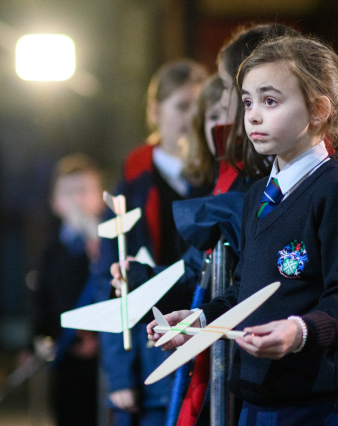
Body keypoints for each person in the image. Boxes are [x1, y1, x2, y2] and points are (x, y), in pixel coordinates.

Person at [148, 35, 338, 426]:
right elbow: (247, 292)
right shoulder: (258, 195)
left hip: (316, 406)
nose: (251, 115)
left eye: (270, 101)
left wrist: (298, 331)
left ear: (318, 110)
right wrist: (198, 321)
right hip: (256, 401)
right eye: (249, 101)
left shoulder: (336, 189)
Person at [93, 59, 208, 426]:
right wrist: (120, 372)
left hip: (205, 347)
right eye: (182, 105)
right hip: (148, 356)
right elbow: (109, 280)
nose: (192, 117)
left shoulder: (221, 176)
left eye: (200, 106)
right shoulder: (133, 181)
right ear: (155, 111)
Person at [29, 153, 104, 426]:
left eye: (84, 191)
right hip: (65, 357)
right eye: (69, 192)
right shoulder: (50, 252)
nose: (77, 200)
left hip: (102, 359)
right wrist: (39, 337)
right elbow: (41, 299)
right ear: (55, 202)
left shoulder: (110, 246)